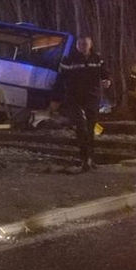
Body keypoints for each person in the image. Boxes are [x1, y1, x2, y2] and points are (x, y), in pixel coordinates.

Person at [51, 36, 111, 172]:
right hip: (74, 98)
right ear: (77, 46)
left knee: (91, 128)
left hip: (92, 97)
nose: (83, 46)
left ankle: (90, 158)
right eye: (80, 44)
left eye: (85, 44)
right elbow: (60, 80)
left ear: (90, 45)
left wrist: (107, 80)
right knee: (81, 126)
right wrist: (55, 99)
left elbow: (104, 73)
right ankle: (84, 158)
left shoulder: (97, 59)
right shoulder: (69, 59)